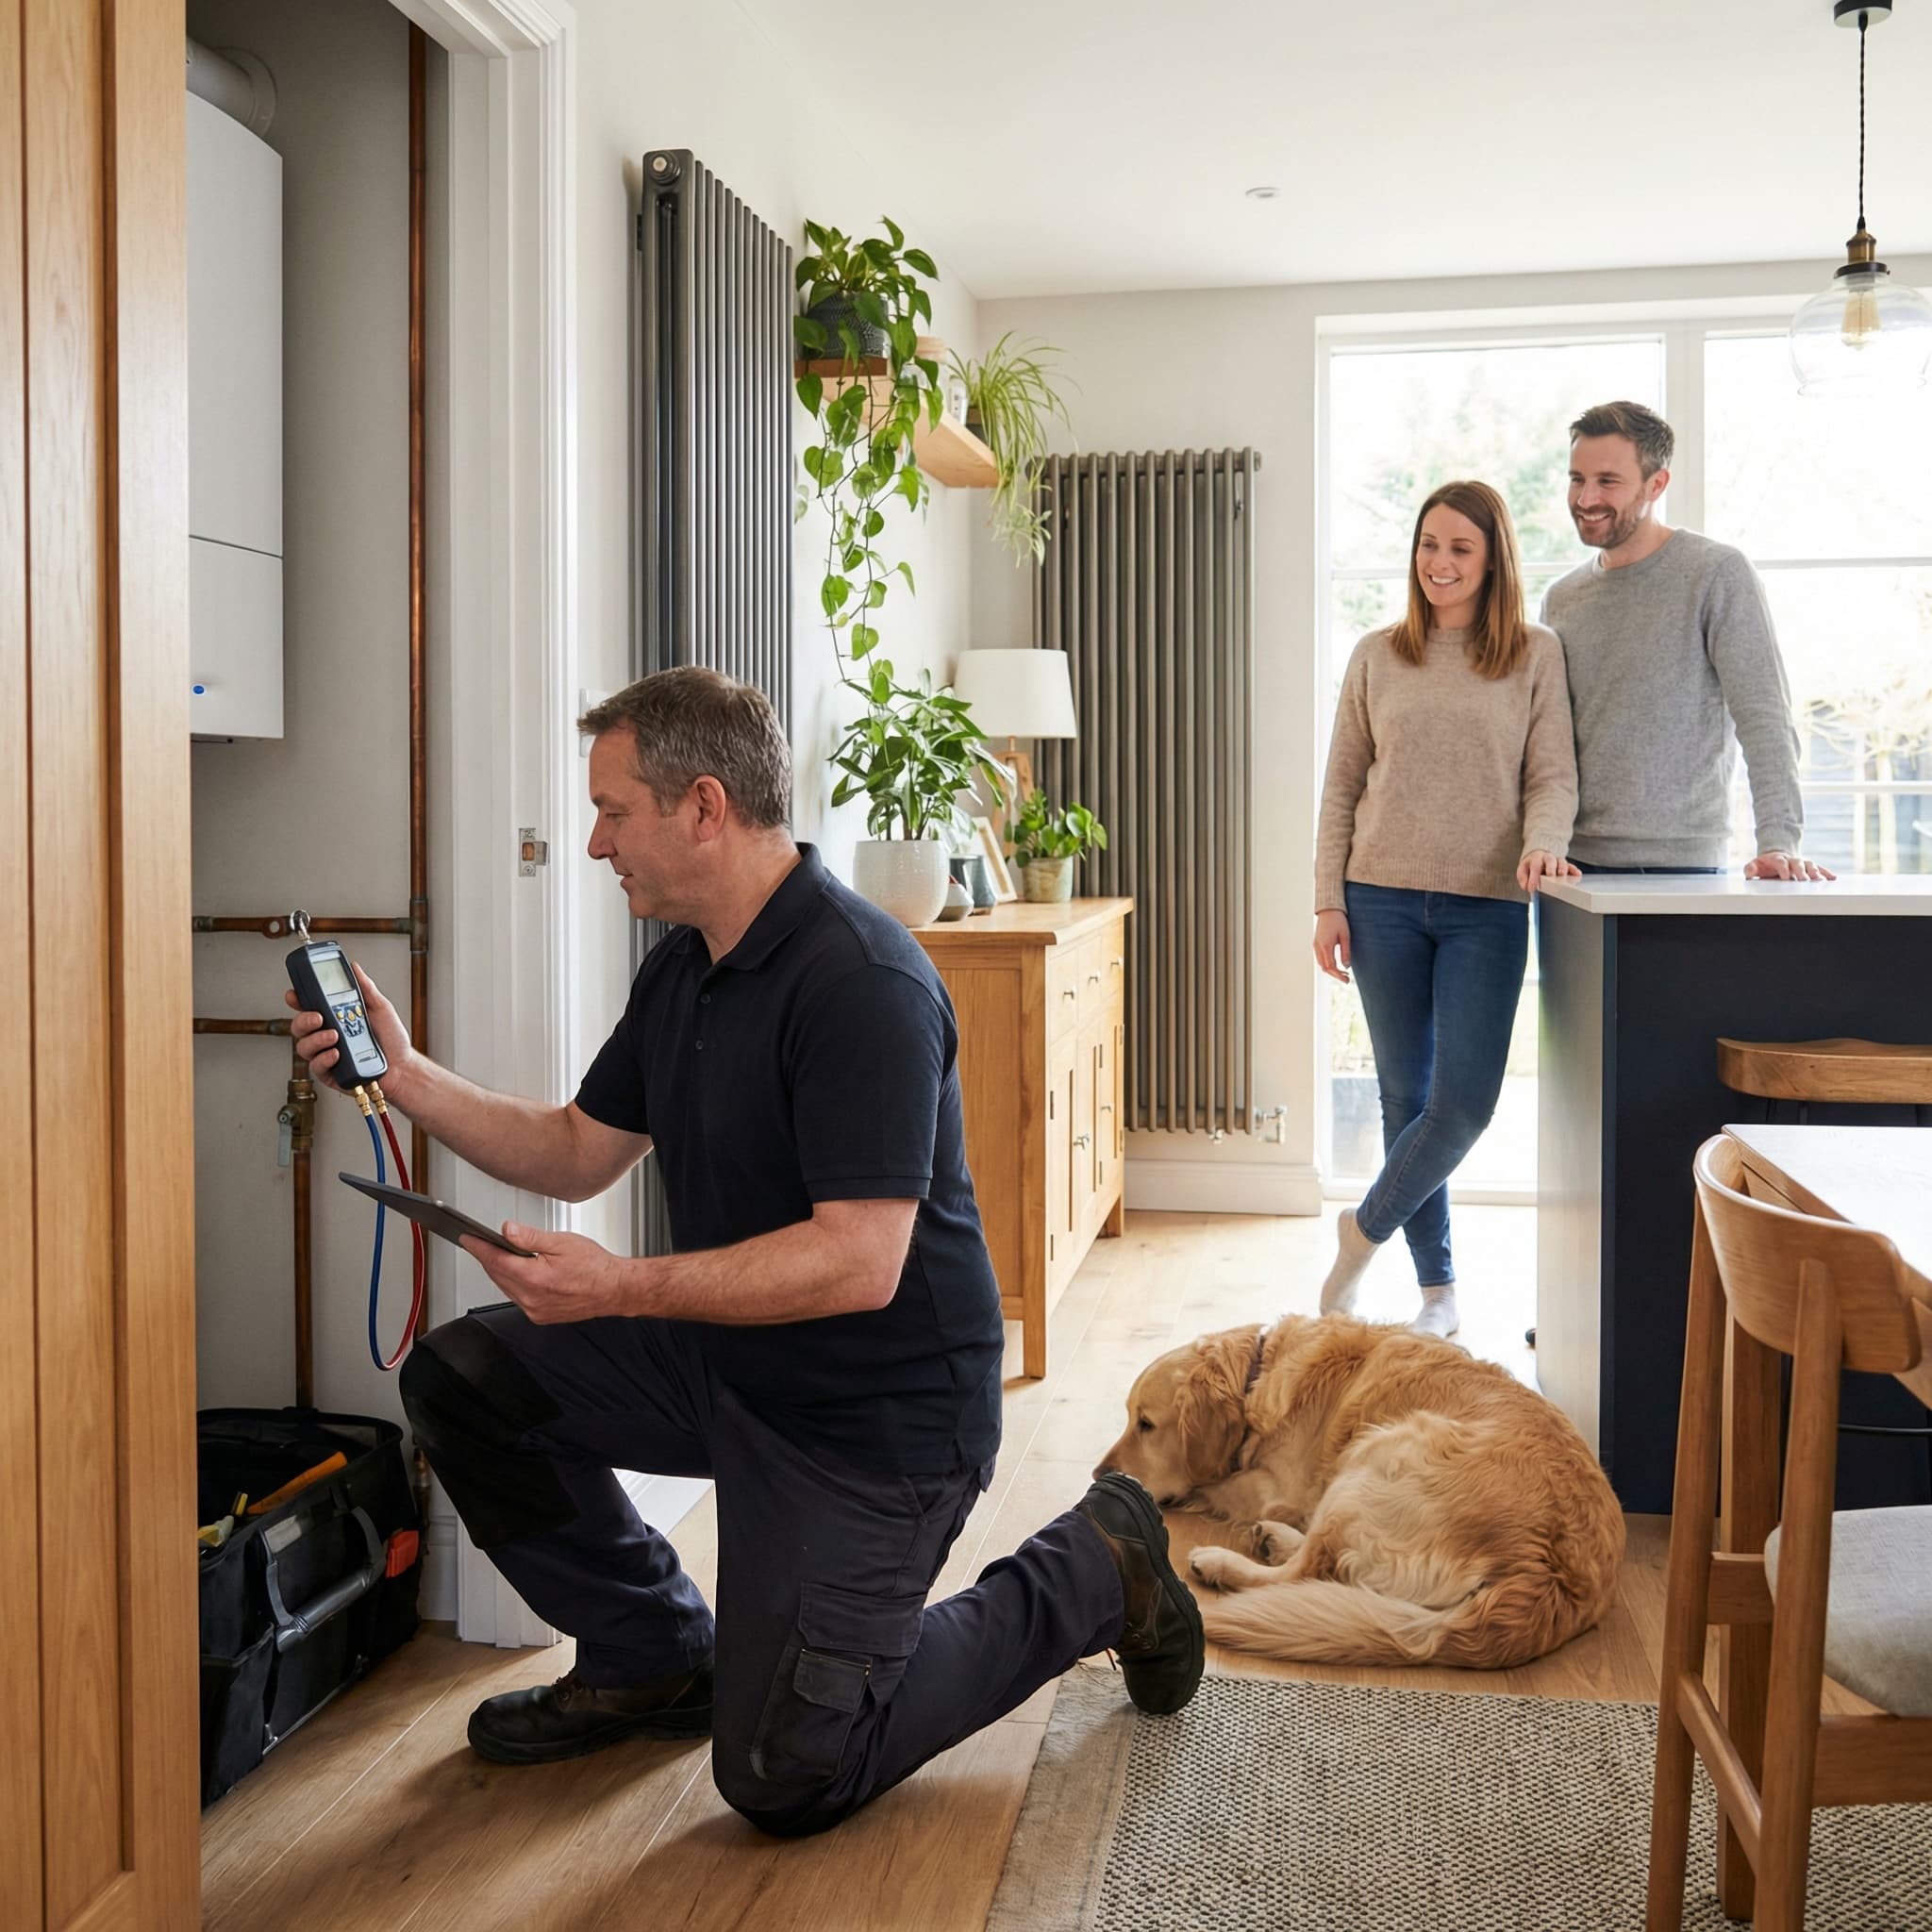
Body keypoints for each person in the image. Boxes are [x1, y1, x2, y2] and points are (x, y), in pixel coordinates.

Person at [287, 666, 1203, 1838]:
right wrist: (401, 1073)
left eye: (614, 811)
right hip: (733, 1359)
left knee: (785, 1769)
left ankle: (1094, 1565)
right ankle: (652, 1653)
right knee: (466, 1378)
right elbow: (576, 1149)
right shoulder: (685, 963)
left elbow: (857, 1262)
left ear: (703, 806)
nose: (592, 841)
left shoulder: (863, 981)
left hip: (879, 1417)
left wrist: (615, 1286)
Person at [1312, 481, 1578, 1340]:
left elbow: (1551, 776)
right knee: (1404, 1099)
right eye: (1430, 544)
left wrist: (1543, 840)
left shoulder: (1534, 654)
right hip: (1380, 897)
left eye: (1461, 548)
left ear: (1493, 557)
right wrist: (1328, 902)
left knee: (1461, 1104)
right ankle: (1438, 1293)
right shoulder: (1376, 655)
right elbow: (1341, 788)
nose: (1441, 563)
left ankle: (1360, 1233)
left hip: (1489, 905)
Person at [1541, 400, 1831, 882]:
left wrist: (1779, 841)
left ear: (1657, 484)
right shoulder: (1562, 598)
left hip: (1685, 863)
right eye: (1577, 479)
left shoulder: (1715, 573)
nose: (1586, 497)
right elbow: (1546, 742)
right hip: (1573, 869)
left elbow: (1763, 717)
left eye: (1607, 481)